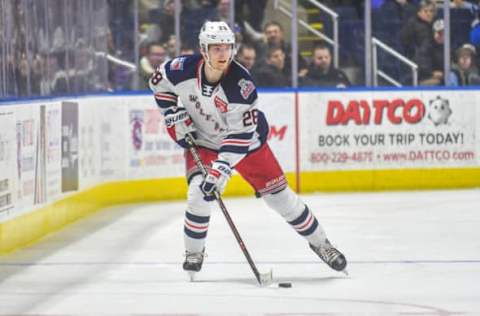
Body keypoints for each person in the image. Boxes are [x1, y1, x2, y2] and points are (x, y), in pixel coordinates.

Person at [149, 21, 347, 278]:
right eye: (216, 48)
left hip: (248, 145)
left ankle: (323, 245)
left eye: (227, 48)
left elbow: (240, 136)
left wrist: (220, 170)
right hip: (205, 141)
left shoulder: (241, 84)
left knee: (282, 200)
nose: (223, 54)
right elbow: (158, 83)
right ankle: (194, 253)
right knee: (198, 194)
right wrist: (172, 113)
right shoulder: (180, 68)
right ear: (203, 49)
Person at [400, 0, 437, 83]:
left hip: (430, 68)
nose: (429, 13)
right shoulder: (412, 25)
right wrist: (430, 73)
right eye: (425, 11)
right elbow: (419, 53)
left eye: (431, 11)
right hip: (420, 72)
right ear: (419, 12)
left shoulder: (435, 26)